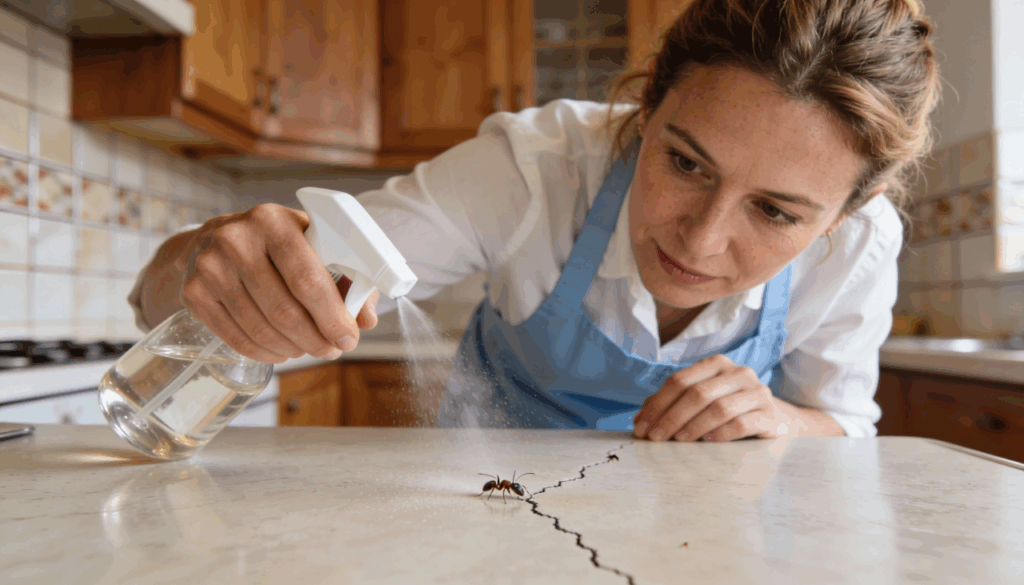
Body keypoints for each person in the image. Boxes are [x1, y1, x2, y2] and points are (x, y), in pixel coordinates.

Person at [129, 0, 940, 441]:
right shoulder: (530, 170)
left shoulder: (861, 246)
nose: (700, 239)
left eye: (775, 211)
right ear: (647, 104)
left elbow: (842, 426)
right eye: (685, 163)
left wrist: (785, 420)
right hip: (487, 495)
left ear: (847, 212)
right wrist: (207, 261)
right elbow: (189, 294)